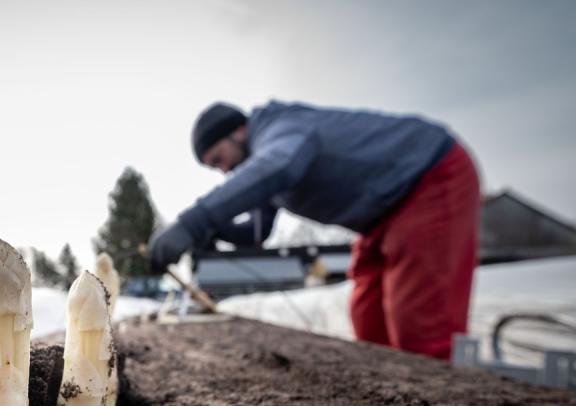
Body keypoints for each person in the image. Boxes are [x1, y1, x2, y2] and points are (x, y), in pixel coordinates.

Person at [148, 101, 480, 360]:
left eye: (219, 158)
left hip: (427, 178)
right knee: (369, 315)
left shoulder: (282, 128)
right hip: (380, 217)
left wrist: (194, 222)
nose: (225, 171)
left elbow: (279, 166)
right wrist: (215, 232)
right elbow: (258, 232)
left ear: (238, 131)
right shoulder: (269, 162)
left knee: (420, 323)